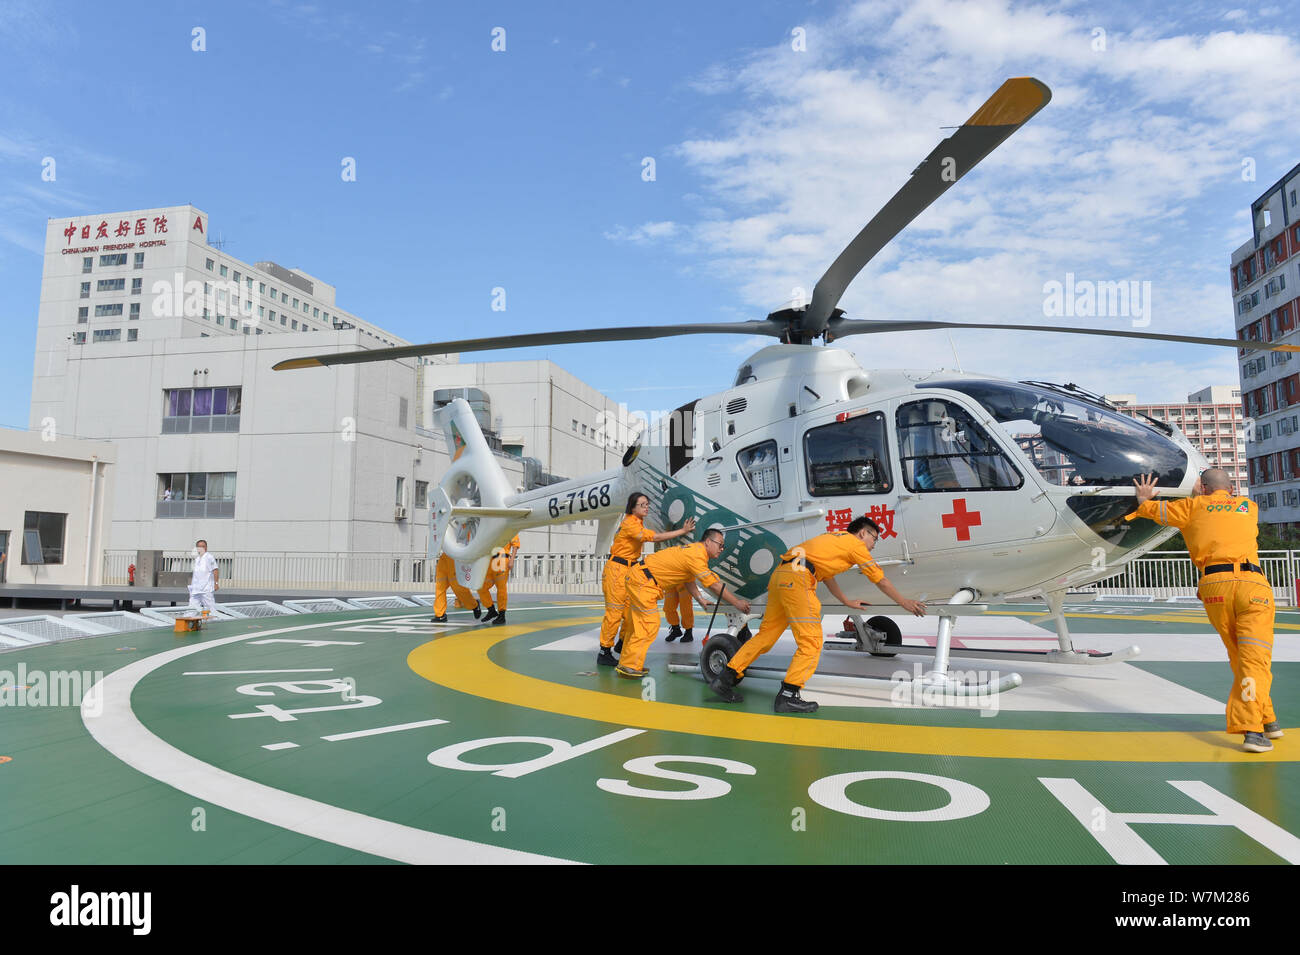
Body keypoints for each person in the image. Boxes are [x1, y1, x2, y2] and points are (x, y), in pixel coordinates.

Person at [1127, 469, 1283, 753]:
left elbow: (1149, 510)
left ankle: (1267, 719)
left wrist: (1145, 499)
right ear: (1232, 487)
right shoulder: (1249, 508)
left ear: (1201, 486)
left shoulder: (1191, 507)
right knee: (1254, 659)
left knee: (1241, 657)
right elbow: (1225, 512)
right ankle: (1252, 729)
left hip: (1215, 588)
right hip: (1252, 588)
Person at [710, 516, 926, 713]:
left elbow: (826, 575)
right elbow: (880, 579)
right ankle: (788, 695)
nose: (873, 544)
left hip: (781, 576)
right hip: (799, 579)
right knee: (811, 642)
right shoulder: (855, 545)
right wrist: (904, 602)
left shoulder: (833, 539)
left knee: (766, 636)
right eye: (874, 538)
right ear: (862, 533)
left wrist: (845, 601)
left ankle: (725, 678)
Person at [616, 527, 751, 678]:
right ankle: (629, 666)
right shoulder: (697, 555)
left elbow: (687, 579)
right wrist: (737, 602)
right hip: (643, 582)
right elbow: (713, 584)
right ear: (708, 542)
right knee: (648, 625)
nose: (721, 549)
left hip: (639, 578)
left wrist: (700, 600)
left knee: (638, 625)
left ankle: (626, 663)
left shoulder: (694, 552)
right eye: (720, 544)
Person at [597, 492, 696, 668]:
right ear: (632, 507)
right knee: (615, 613)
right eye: (642, 504)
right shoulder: (630, 524)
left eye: (647, 504)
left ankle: (621, 646)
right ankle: (604, 651)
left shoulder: (636, 522)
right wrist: (682, 531)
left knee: (629, 614)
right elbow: (654, 537)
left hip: (628, 570)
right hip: (617, 570)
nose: (646, 507)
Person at [479, 534, 521, 626]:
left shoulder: (510, 526)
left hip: (502, 559)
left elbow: (515, 545)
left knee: (501, 588)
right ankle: (491, 610)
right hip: (490, 560)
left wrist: (512, 560)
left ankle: (502, 615)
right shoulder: (492, 527)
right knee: (481, 587)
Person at [430, 551, 481, 623]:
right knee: (440, 587)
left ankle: (474, 605)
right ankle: (440, 615)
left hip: (455, 557)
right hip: (444, 557)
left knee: (458, 588)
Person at [188, 539, 219, 617]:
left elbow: (215, 570)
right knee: (191, 608)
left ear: (206, 547)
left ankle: (215, 622)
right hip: (196, 589)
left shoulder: (209, 557)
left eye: (203, 546)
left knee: (211, 608)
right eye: (199, 546)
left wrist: (216, 583)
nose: (201, 548)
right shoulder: (197, 558)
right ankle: (187, 623)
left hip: (206, 589)